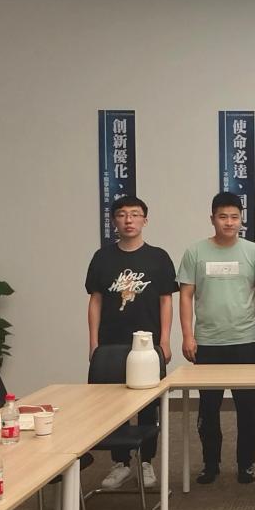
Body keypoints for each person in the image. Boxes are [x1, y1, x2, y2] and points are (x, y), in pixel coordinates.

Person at [85, 195, 177, 490]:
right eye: (122, 214)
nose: (129, 220)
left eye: (135, 214)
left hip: (147, 345)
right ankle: (120, 463)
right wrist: (93, 342)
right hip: (111, 343)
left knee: (148, 405)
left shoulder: (158, 257)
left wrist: (165, 340)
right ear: (114, 221)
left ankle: (146, 461)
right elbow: (95, 300)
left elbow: (166, 300)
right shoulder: (102, 258)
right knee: (114, 405)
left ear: (144, 220)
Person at [178, 191, 255, 486]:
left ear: (241, 219)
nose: (229, 222)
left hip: (245, 341)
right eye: (223, 217)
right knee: (208, 408)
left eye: (234, 217)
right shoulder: (195, 252)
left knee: (247, 408)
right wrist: (188, 335)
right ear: (212, 219)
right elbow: (186, 295)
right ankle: (210, 463)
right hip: (207, 342)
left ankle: (246, 463)